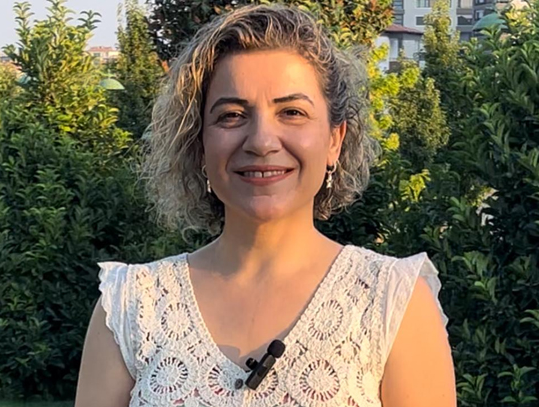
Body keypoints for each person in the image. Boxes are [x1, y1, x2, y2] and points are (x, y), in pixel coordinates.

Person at [75, 3, 456, 407]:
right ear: (199, 143)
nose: (261, 141)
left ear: (334, 140)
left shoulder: (391, 302)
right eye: (232, 115)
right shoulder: (131, 307)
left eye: (291, 112)